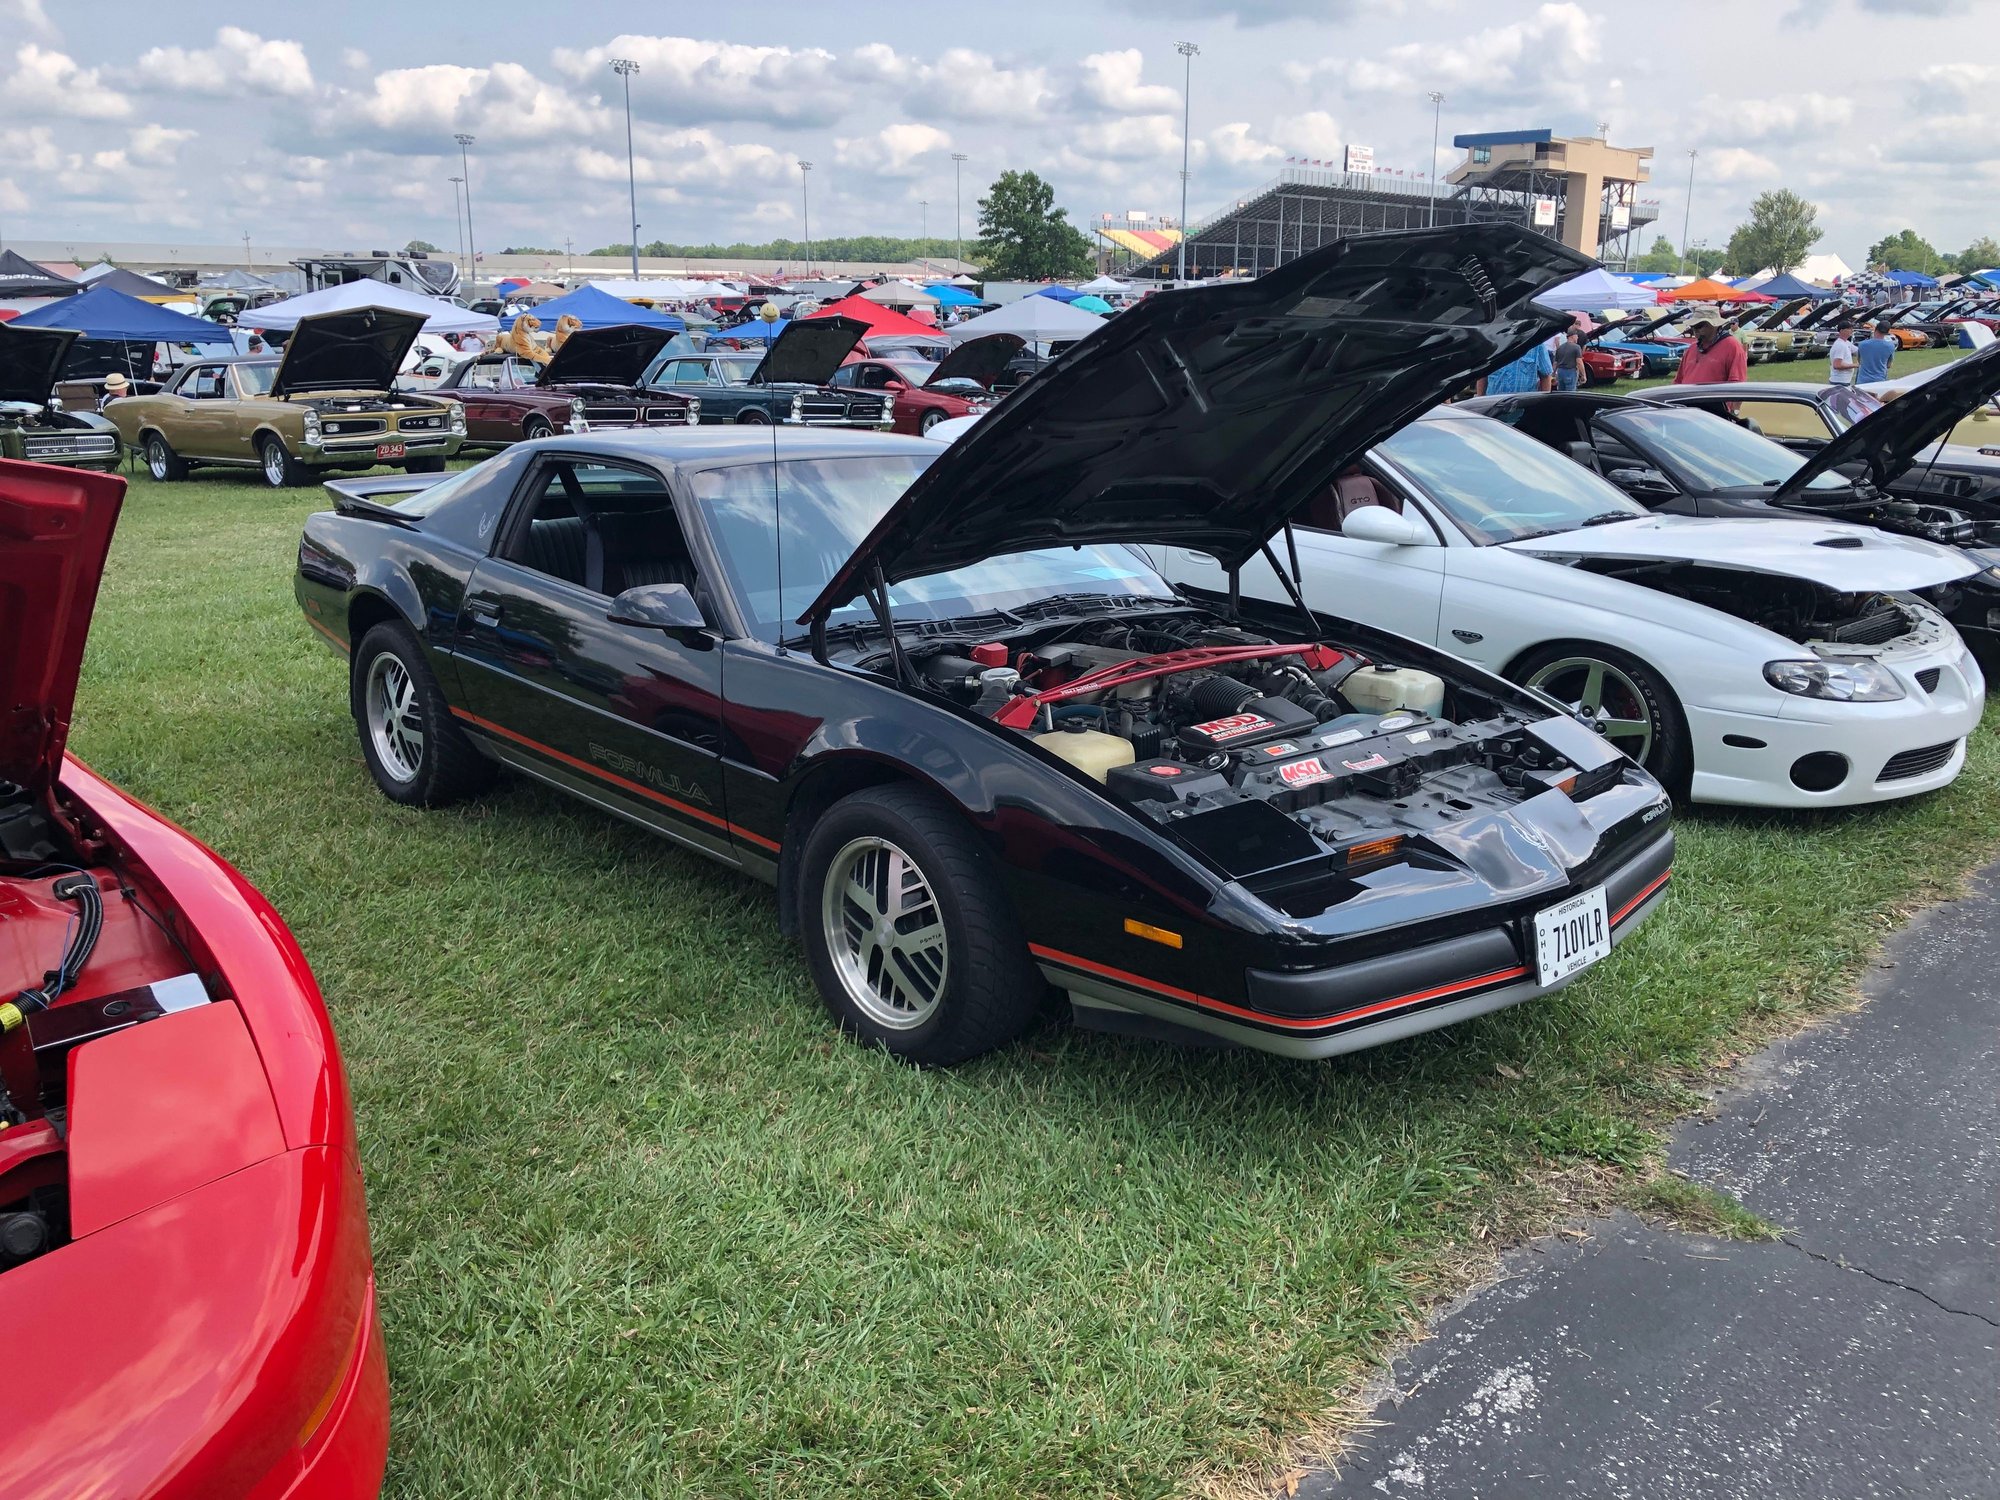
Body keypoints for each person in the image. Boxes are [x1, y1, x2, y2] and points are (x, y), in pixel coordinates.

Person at [1672, 308, 1748, 385]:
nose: (1695, 329)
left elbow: (1736, 385)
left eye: (1699, 325)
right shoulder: (1692, 348)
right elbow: (1678, 381)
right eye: (1692, 326)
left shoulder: (1732, 346)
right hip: (1689, 396)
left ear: (1714, 325)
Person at [1476, 339, 1553, 396]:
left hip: (1524, 406)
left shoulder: (1536, 344)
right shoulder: (1491, 343)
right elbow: (1482, 375)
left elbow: (1545, 376)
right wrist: (1480, 401)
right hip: (1494, 406)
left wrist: (1541, 404)